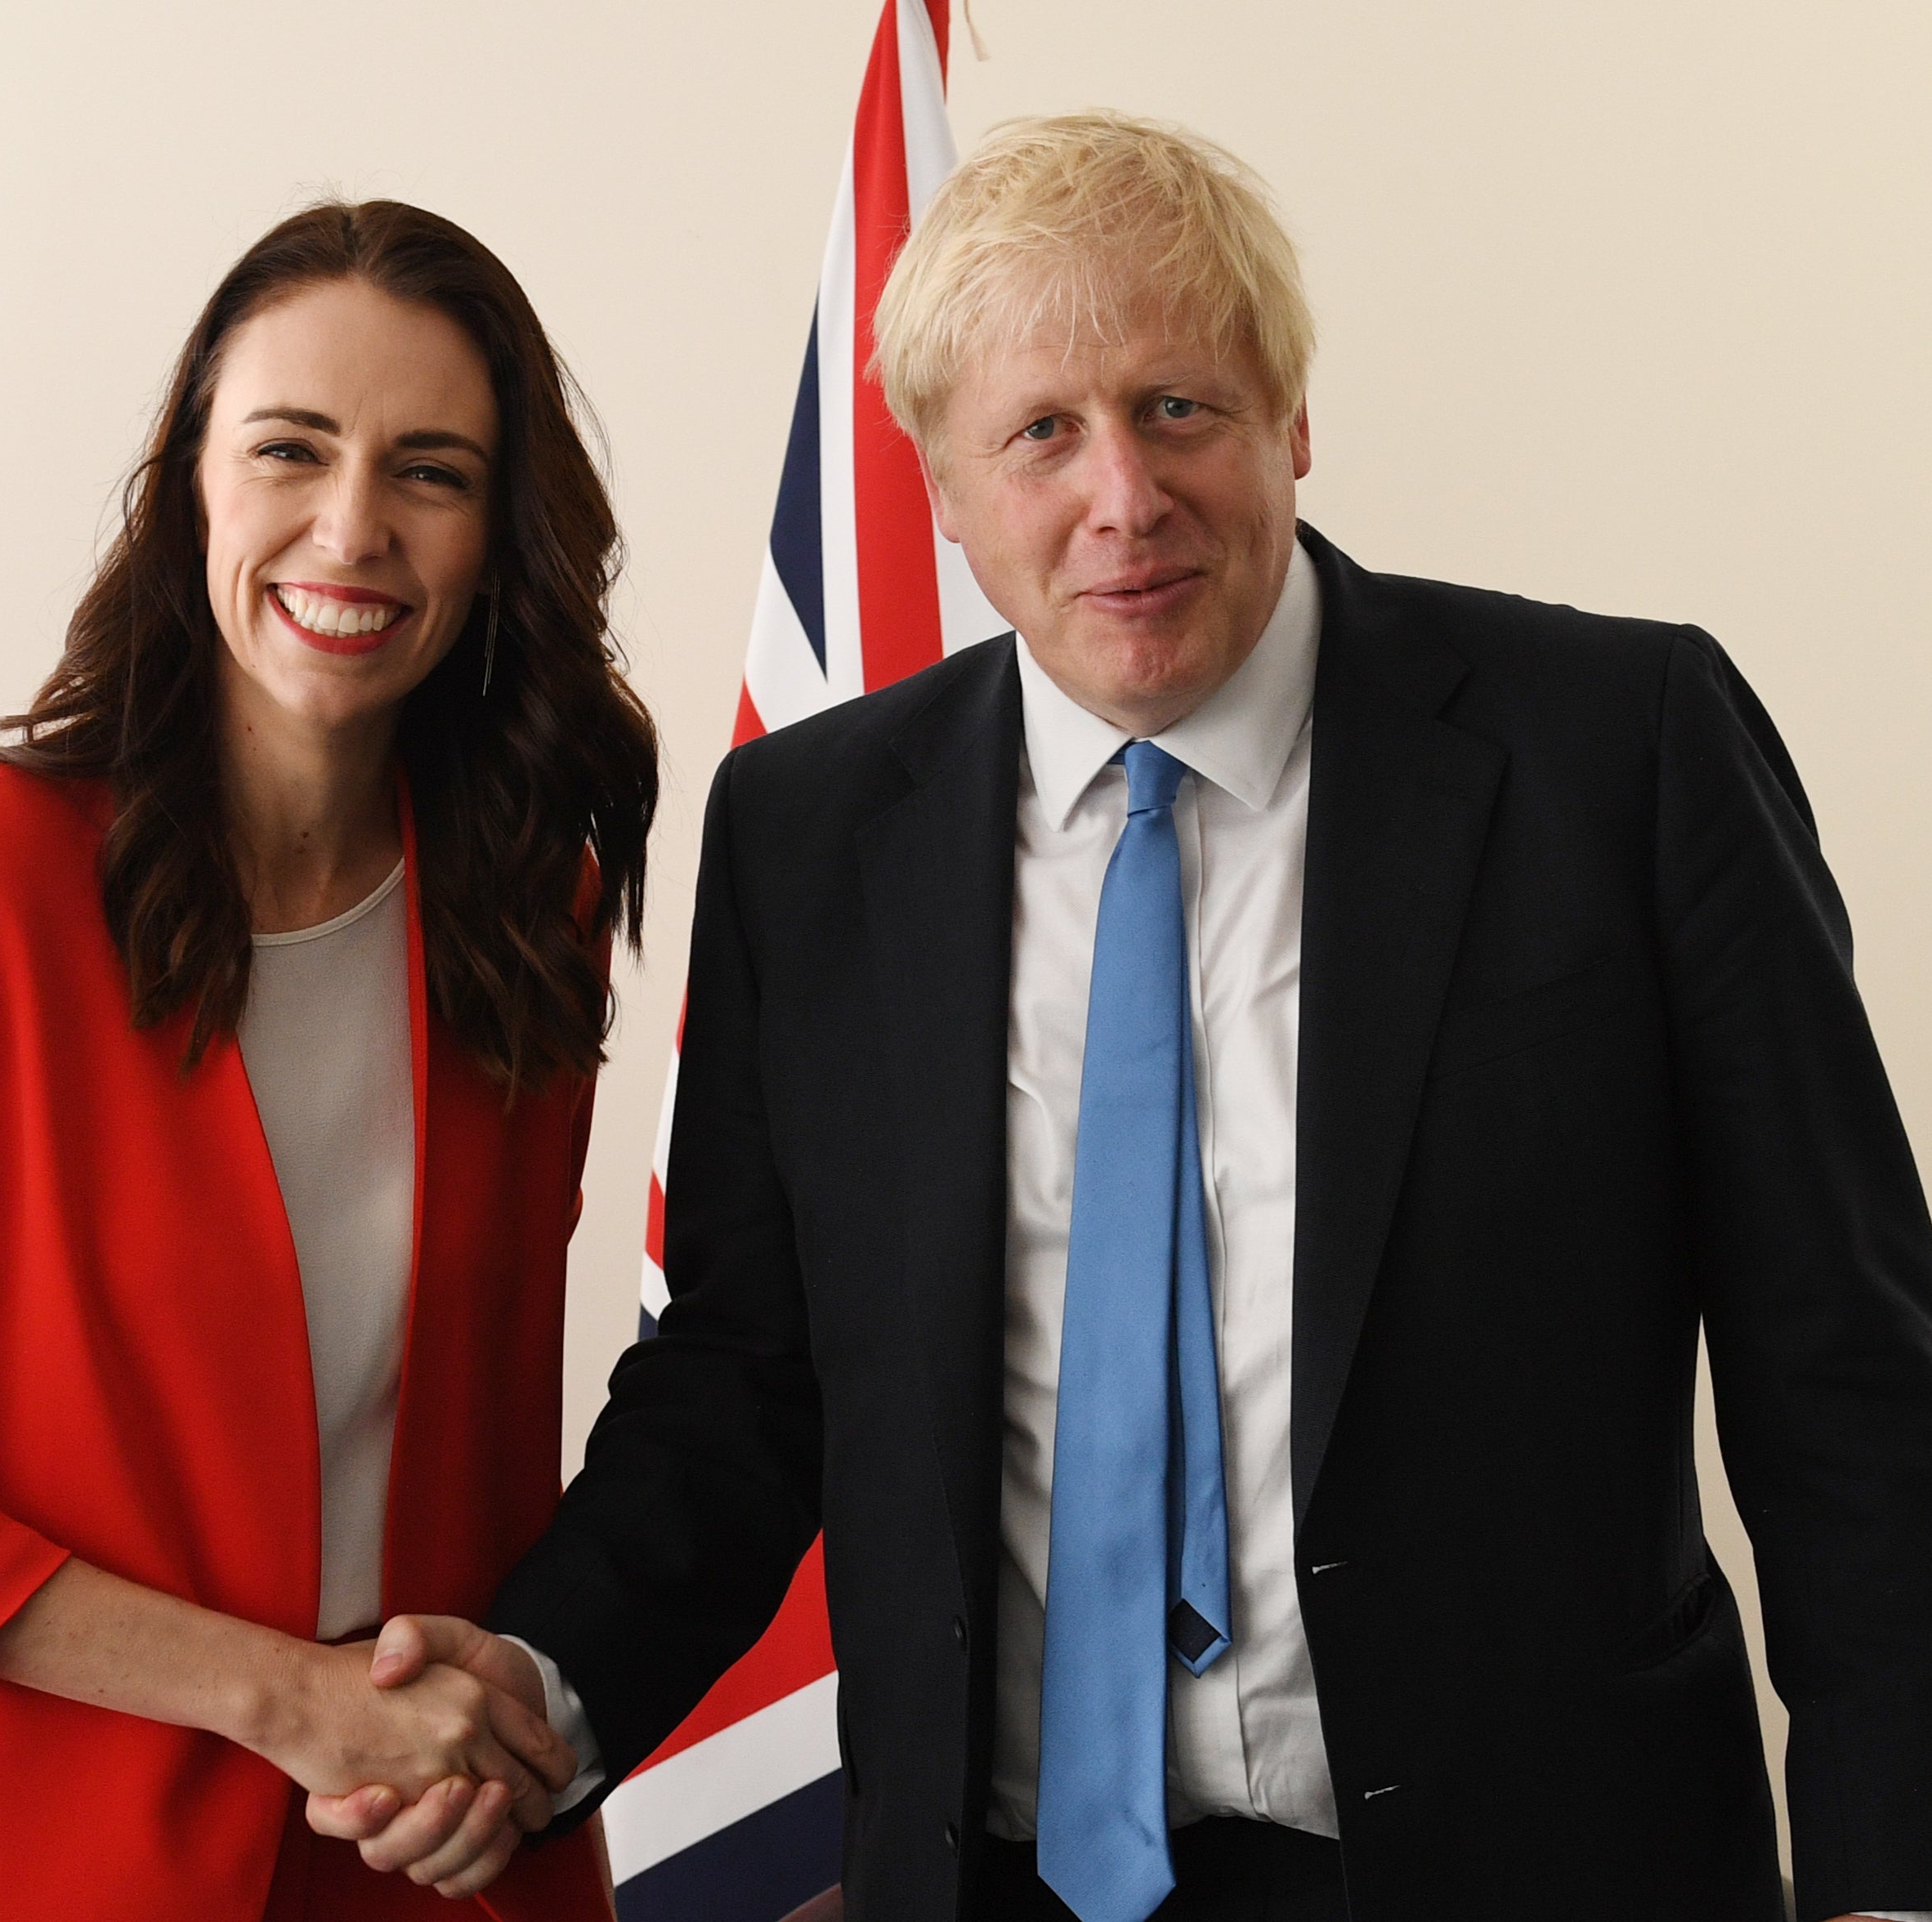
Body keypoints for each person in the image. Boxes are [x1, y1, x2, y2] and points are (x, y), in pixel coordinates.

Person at [314, 116, 1932, 1920]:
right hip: (996, 1882)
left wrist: (1890, 1879)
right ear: (937, 482)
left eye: (1180, 408)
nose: (1123, 500)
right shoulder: (815, 835)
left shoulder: (1620, 753)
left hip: (1540, 1866)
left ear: (1291, 423)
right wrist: (543, 1685)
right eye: (1042, 434)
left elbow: (1850, 1381)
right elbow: (749, 1375)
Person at [0, 198, 656, 1922]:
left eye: (431, 471)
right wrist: (283, 1696)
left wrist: (501, 1727)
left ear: (500, 539)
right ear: (190, 477)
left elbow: (482, 1450)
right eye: (291, 449)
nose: (351, 530)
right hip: (0, 1860)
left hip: (416, 1861)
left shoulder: (528, 910)